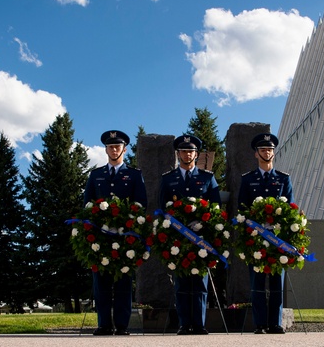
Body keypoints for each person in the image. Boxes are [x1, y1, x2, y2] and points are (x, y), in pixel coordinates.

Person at [83, 129, 148, 336]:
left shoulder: (134, 175)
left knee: (123, 281)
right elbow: (87, 204)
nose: (114, 150)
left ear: (124, 149)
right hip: (100, 237)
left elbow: (141, 204)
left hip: (125, 236)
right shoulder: (96, 175)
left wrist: (127, 222)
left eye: (117, 147)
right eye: (110, 147)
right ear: (106, 150)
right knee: (101, 281)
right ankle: (103, 324)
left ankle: (121, 325)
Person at [159, 134, 222, 335]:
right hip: (178, 240)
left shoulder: (207, 178)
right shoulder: (168, 179)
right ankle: (184, 323)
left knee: (200, 284)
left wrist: (203, 225)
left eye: (191, 151)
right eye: (184, 151)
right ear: (178, 154)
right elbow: (163, 208)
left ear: (196, 154)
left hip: (200, 238)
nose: (187, 154)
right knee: (182, 283)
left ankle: (199, 324)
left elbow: (215, 209)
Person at [237, 132, 294, 334]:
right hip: (256, 239)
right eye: (263, 150)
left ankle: (275, 322)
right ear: (256, 154)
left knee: (277, 282)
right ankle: (260, 323)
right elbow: (242, 210)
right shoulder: (248, 180)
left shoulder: (283, 179)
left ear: (274, 153)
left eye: (269, 149)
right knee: (258, 282)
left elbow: (291, 210)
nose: (267, 152)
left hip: (277, 239)